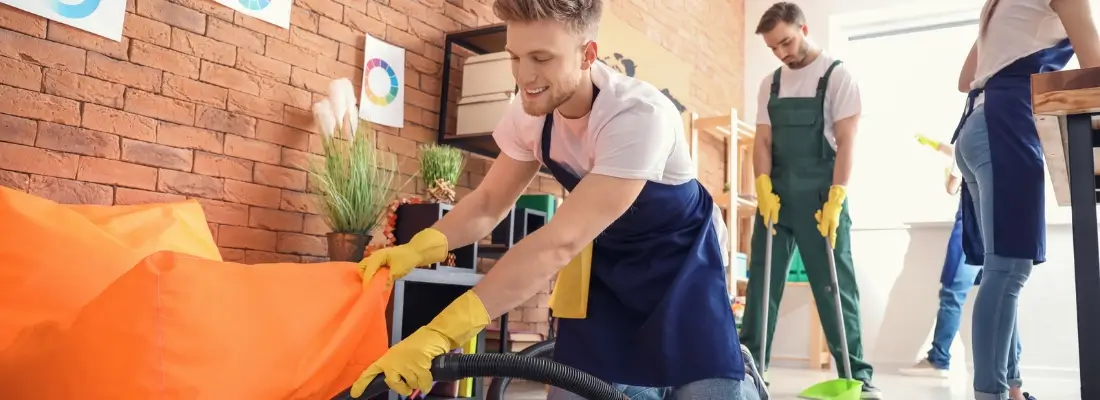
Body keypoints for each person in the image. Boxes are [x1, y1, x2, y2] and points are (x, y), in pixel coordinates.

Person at [346, 0, 758, 399]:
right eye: (515, 57)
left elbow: (558, 242)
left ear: (587, 54)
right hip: (608, 261)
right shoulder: (528, 113)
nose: (525, 76)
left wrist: (443, 332)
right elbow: (489, 201)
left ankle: (735, 366)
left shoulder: (638, 116)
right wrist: (420, 248)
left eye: (541, 58)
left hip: (682, 266)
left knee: (704, 387)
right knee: (576, 391)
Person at [951, 0, 1100, 399]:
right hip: (1005, 125)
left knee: (1002, 267)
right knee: (1009, 269)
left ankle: (1012, 389)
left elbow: (967, 79)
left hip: (975, 128)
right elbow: (1095, 69)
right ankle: (992, 394)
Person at [738, 2, 881, 399]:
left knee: (836, 289)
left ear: (803, 28)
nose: (781, 53)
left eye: (785, 42)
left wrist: (837, 197)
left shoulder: (837, 75)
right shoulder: (770, 83)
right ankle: (749, 370)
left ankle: (858, 373)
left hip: (822, 199)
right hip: (777, 199)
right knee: (762, 284)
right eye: (773, 48)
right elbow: (762, 140)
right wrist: (762, 186)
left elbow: (847, 141)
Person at [900, 139, 1029, 400]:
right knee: (1004, 295)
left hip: (970, 224)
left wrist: (947, 170)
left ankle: (939, 358)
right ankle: (1013, 383)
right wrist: (939, 147)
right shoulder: (998, 137)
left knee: (953, 293)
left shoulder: (972, 138)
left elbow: (952, 185)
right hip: (996, 222)